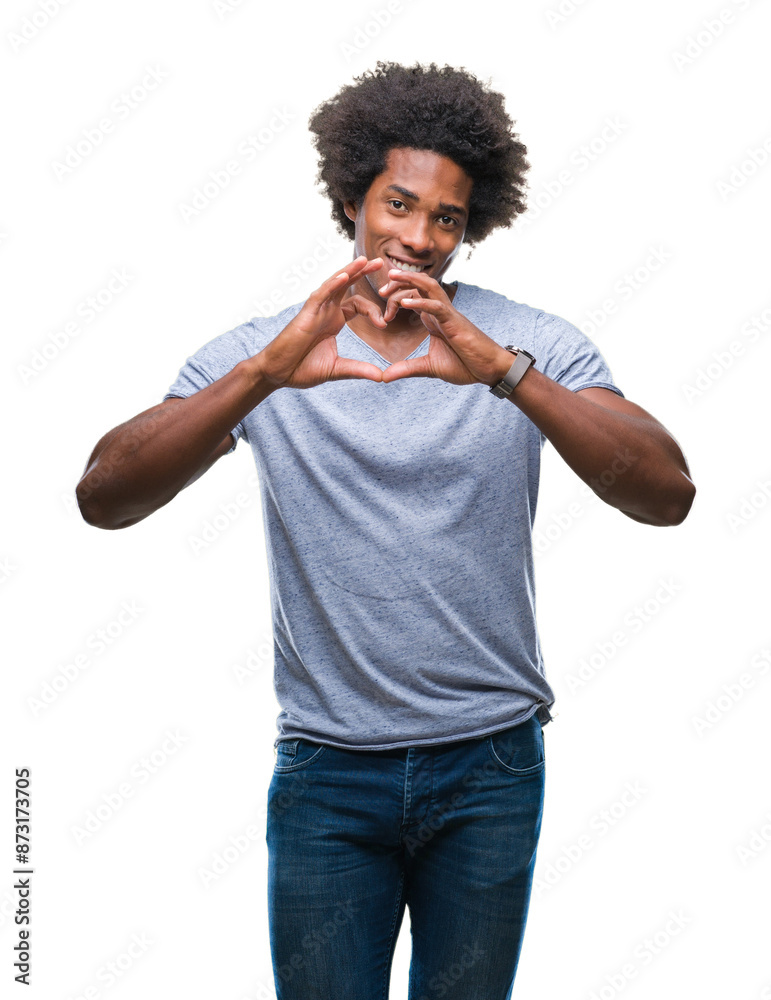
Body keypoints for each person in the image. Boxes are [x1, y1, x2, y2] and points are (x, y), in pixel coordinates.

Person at [76, 61, 695, 1000]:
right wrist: (265, 375)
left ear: (471, 224)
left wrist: (502, 373)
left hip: (488, 763)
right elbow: (105, 496)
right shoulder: (266, 353)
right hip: (327, 770)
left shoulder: (527, 344)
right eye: (398, 204)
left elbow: (665, 492)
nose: (418, 238)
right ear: (352, 198)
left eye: (446, 217)